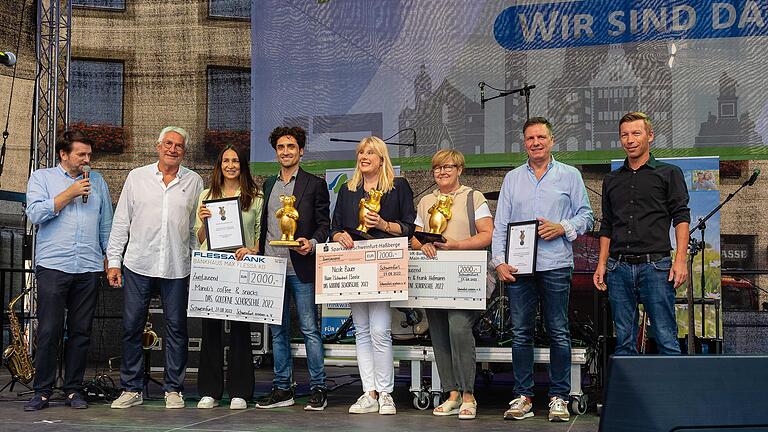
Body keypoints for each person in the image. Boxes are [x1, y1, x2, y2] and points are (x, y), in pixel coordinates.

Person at [491, 117, 593, 422]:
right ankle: (522, 396)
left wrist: (563, 226)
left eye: (541, 137)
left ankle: (559, 397)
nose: (536, 142)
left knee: (558, 332)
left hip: (555, 265)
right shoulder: (512, 179)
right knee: (521, 333)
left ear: (552, 141)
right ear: (524, 143)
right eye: (530, 138)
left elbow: (587, 216)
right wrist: (498, 262)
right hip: (519, 268)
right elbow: (500, 226)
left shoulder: (570, 176)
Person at [107, 126, 203, 409]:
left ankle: (173, 389)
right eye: (169, 144)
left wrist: (200, 265)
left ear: (184, 152)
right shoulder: (136, 177)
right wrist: (114, 261)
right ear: (158, 146)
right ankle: (131, 388)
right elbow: (121, 221)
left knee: (177, 329)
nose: (173, 149)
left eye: (179, 146)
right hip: (139, 263)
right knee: (131, 327)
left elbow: (195, 227)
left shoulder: (194, 181)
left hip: (177, 266)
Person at [24, 130, 113, 411]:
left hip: (87, 266)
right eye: (81, 155)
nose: (87, 160)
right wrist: (68, 194)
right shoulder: (42, 178)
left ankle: (74, 389)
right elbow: (35, 214)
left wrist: (110, 259)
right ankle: (42, 390)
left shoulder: (97, 181)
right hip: (53, 265)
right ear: (64, 154)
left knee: (80, 331)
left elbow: (106, 225)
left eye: (89, 155)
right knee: (49, 330)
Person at [330, 136, 416, 416]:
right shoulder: (348, 190)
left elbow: (408, 227)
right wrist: (339, 234)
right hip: (355, 265)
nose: (364, 156)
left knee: (380, 331)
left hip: (384, 264)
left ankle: (386, 393)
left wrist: (383, 224)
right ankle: (369, 392)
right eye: (361, 152)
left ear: (381, 158)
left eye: (370, 152)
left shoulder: (398, 187)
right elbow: (335, 227)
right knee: (362, 331)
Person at [593, 111, 690, 356]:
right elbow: (607, 225)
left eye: (636, 133)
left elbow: (681, 217)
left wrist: (680, 260)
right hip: (618, 269)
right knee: (624, 342)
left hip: (656, 267)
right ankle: (631, 395)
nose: (630, 139)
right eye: (624, 135)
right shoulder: (611, 179)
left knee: (666, 338)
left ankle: (671, 395)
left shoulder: (669, 173)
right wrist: (601, 264)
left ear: (650, 135)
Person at [411, 149, 492, 420]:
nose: (442, 172)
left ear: (460, 169)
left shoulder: (473, 197)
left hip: (464, 279)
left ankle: (469, 394)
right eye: (437, 168)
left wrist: (456, 246)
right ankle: (452, 394)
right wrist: (423, 246)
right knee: (438, 333)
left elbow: (487, 235)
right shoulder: (425, 202)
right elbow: (414, 239)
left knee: (459, 327)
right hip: (435, 278)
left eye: (448, 167)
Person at [255, 126, 330, 411]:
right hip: (271, 266)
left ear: (301, 150)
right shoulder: (268, 184)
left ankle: (319, 387)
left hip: (301, 268)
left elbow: (325, 224)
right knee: (277, 332)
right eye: (281, 147)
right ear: (276, 152)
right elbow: (264, 226)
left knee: (310, 329)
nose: (286, 151)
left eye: (291, 147)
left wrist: (311, 242)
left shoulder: (314, 184)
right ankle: (282, 388)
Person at [195, 145, 263, 410]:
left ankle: (240, 392)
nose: (231, 165)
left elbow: (258, 236)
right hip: (212, 268)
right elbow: (198, 238)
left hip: (240, 266)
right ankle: (209, 391)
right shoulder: (206, 195)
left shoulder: (255, 196)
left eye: (236, 161)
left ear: (242, 165)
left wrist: (252, 250)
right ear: (219, 165)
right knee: (210, 329)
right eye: (226, 160)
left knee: (240, 330)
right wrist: (202, 221)